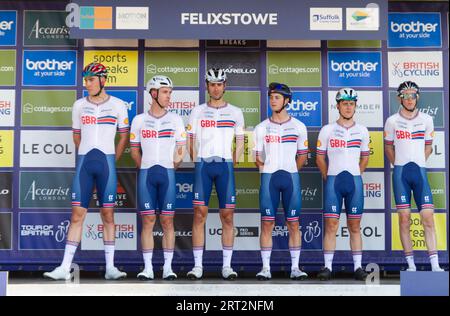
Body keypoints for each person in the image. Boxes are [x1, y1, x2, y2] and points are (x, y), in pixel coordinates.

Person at [44, 62, 129, 280]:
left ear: (103, 80)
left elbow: (124, 137)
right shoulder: (79, 105)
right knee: (77, 215)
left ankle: (110, 268)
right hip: (85, 163)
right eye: (86, 80)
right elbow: (76, 136)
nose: (87, 84)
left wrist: (111, 159)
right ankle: (64, 268)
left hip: (107, 164)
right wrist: (87, 154)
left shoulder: (119, 105)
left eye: (91, 79)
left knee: (108, 214)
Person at [186, 68, 245, 280]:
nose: (216, 87)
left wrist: (233, 161)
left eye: (219, 84)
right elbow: (190, 139)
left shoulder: (236, 112)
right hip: (203, 165)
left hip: (225, 167)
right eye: (212, 84)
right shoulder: (197, 111)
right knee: (199, 215)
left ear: (225, 85)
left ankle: (227, 267)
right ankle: (198, 266)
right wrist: (197, 159)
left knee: (227, 216)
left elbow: (240, 140)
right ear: (207, 86)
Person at [130, 75, 186, 281]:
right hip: (147, 174)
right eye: (165, 92)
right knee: (148, 220)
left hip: (168, 174)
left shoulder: (175, 120)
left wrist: (173, 166)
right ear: (153, 93)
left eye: (170, 93)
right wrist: (145, 167)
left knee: (167, 221)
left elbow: (181, 149)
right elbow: (135, 152)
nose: (169, 97)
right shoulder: (138, 120)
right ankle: (148, 268)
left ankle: (168, 268)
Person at [384, 81, 444, 272]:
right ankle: (411, 265)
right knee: (404, 218)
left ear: (417, 97)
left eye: (412, 95)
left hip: (419, 172)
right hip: (401, 173)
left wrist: (419, 162)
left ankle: (435, 264)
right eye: (405, 95)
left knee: (428, 218)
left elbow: (428, 147)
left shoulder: (426, 119)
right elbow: (388, 147)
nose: (409, 99)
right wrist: (399, 165)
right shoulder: (392, 121)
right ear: (399, 98)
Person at [253, 83, 309, 281]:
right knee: (267, 223)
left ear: (286, 101)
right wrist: (267, 168)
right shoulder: (261, 127)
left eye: (277, 97)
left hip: (290, 177)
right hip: (269, 178)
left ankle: (295, 268)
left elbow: (302, 156)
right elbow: (257, 157)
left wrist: (291, 169)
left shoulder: (299, 126)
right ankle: (265, 268)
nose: (272, 100)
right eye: (271, 97)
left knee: (293, 223)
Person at [316, 88, 370, 281]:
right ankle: (328, 267)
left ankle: (358, 267)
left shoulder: (362, 130)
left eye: (351, 104)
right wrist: (328, 176)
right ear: (337, 106)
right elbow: (320, 158)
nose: (348, 107)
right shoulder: (327, 130)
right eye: (344, 103)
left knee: (354, 226)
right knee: (331, 224)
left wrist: (357, 174)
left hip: (354, 181)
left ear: (355, 106)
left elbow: (365, 158)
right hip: (333, 180)